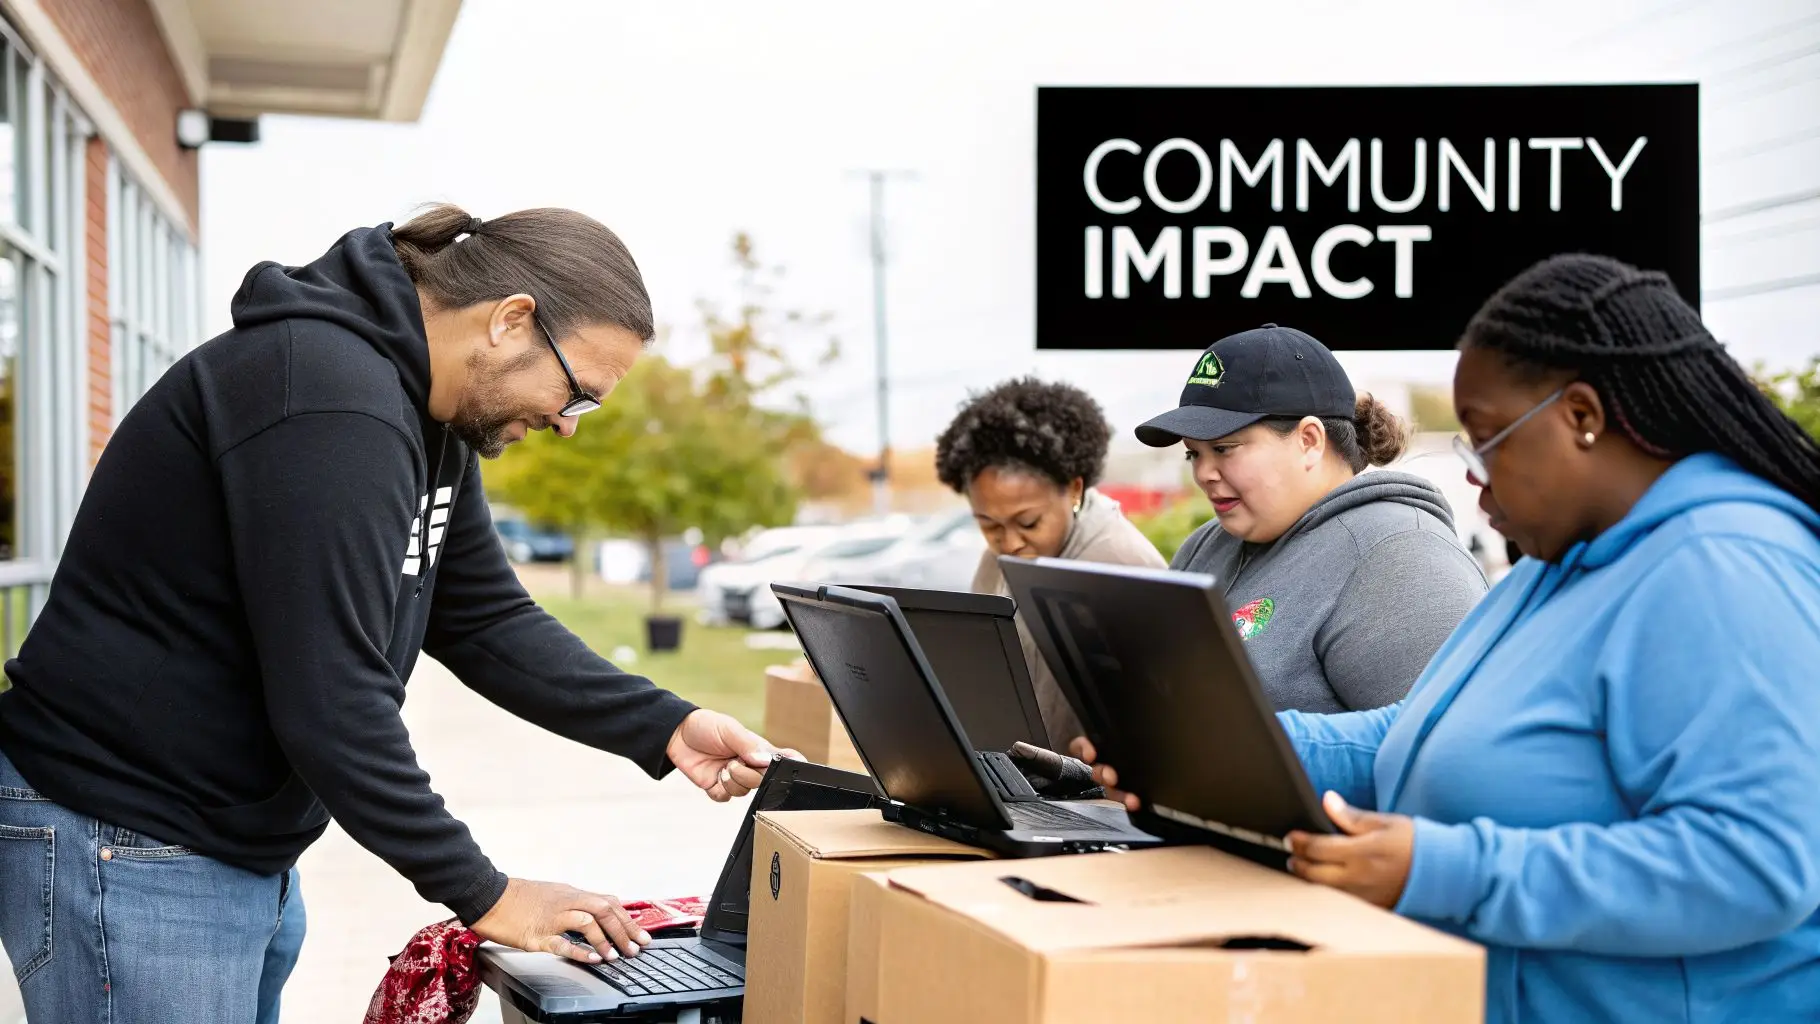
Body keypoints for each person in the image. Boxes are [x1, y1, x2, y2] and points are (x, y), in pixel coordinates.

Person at [0, 204, 797, 1023]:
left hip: (223, 841)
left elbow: (484, 618)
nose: (565, 423)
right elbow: (331, 698)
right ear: (510, 320)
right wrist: (484, 892)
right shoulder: (326, 400)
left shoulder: (432, 415)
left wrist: (662, 724)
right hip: (128, 834)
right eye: (576, 392)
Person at [1084, 254, 1820, 1023]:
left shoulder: (1724, 565)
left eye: (1489, 441)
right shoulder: (1557, 564)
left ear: (1582, 417)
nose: (1473, 478)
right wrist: (1226, 744)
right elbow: (1427, 732)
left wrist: (1443, 869)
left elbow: (1755, 862)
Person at [1133, 324, 1486, 713]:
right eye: (1193, 454)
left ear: (1309, 441)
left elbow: (1439, 746)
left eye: (1223, 448)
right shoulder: (1204, 546)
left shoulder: (1404, 559)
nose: (1203, 473)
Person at [934, 377, 1167, 749]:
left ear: (1074, 489)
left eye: (1029, 523)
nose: (1009, 543)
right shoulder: (995, 560)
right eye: (989, 524)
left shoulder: (1121, 566)